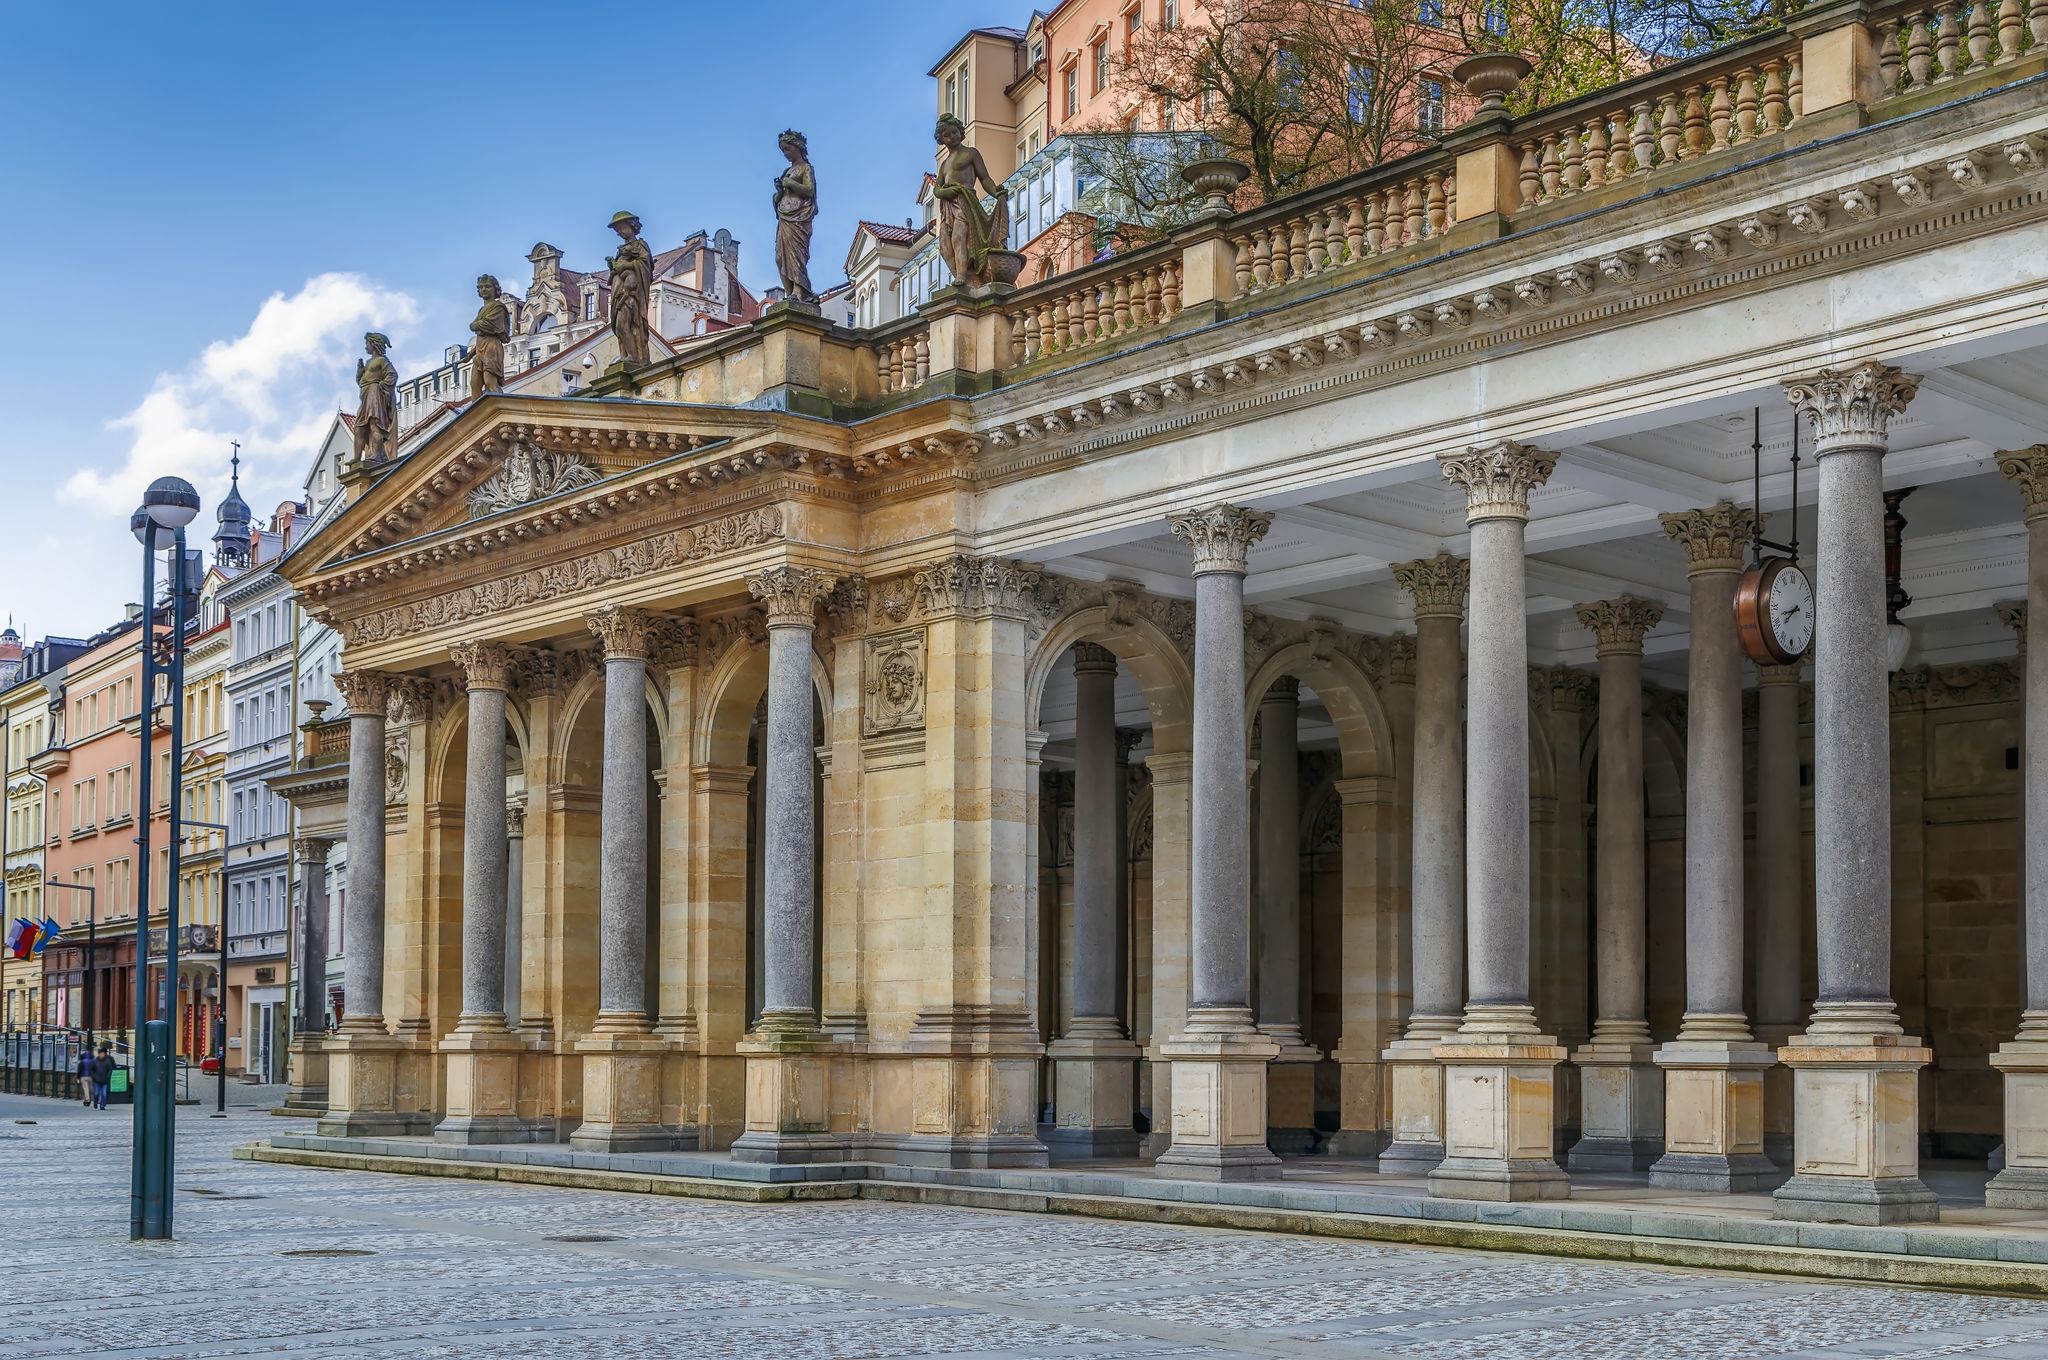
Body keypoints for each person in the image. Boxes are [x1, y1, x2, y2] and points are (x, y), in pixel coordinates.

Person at [90, 1043, 113, 1110]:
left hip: (104, 1080)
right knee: (96, 1093)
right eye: (101, 1053)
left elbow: (110, 1069)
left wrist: (108, 1076)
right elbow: (91, 1070)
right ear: (99, 1054)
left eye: (103, 1053)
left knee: (104, 1094)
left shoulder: (107, 1061)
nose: (102, 1055)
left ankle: (102, 1105)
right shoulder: (95, 1061)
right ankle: (95, 1102)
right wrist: (94, 1076)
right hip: (96, 1080)